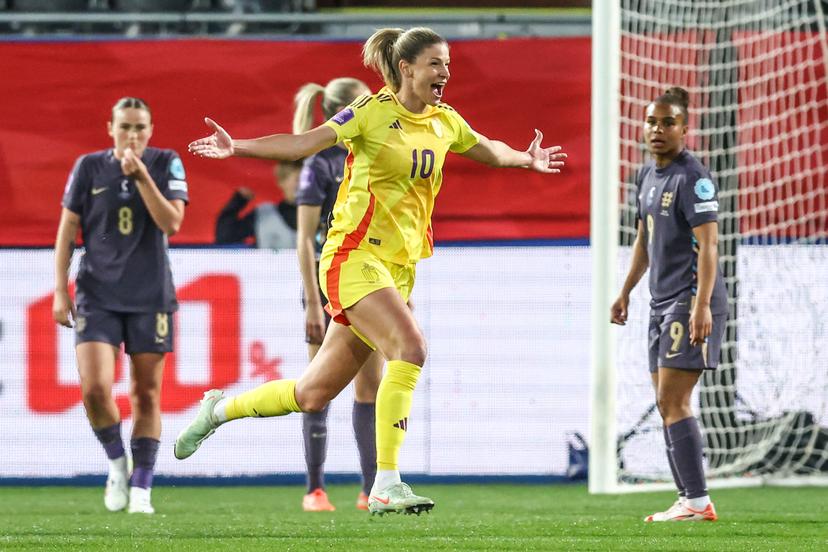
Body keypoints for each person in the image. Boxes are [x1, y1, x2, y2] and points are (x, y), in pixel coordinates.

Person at [175, 26, 566, 516]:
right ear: (406, 68)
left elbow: (489, 149)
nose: (445, 73)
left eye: (447, 64)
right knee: (411, 348)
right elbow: (302, 144)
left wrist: (526, 159)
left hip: (397, 268)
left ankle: (217, 410)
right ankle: (386, 482)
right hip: (352, 256)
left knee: (311, 394)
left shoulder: (445, 120)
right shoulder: (370, 111)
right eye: (435, 63)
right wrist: (238, 147)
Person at [53, 97, 189, 514]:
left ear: (151, 130)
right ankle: (116, 463)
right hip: (97, 293)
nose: (132, 135)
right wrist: (60, 289)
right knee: (95, 389)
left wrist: (142, 177)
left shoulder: (165, 163)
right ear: (110, 128)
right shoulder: (89, 167)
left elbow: (172, 223)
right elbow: (68, 230)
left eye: (140, 127)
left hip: (150, 295)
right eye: (125, 127)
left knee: (146, 394)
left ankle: (142, 488)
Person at [610, 87, 727, 522]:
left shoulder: (692, 178)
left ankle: (696, 500)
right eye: (651, 122)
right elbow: (644, 239)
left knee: (673, 399)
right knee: (666, 403)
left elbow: (709, 245)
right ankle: (689, 499)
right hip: (660, 302)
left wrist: (701, 305)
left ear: (684, 128)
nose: (657, 130)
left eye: (668, 123)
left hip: (689, 300)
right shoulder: (645, 176)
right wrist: (626, 290)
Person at [292, 77, 382, 512]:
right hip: (328, 284)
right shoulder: (320, 163)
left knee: (371, 386)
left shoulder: (373, 155)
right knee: (317, 387)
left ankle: (371, 488)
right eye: (366, 100)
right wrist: (312, 302)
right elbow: (304, 239)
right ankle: (315, 489)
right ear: (346, 110)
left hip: (369, 284)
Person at [214, 160, 302, 250]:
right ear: (281, 181)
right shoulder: (264, 215)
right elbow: (225, 238)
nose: (305, 185)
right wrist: (236, 203)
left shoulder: (313, 216)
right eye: (298, 179)